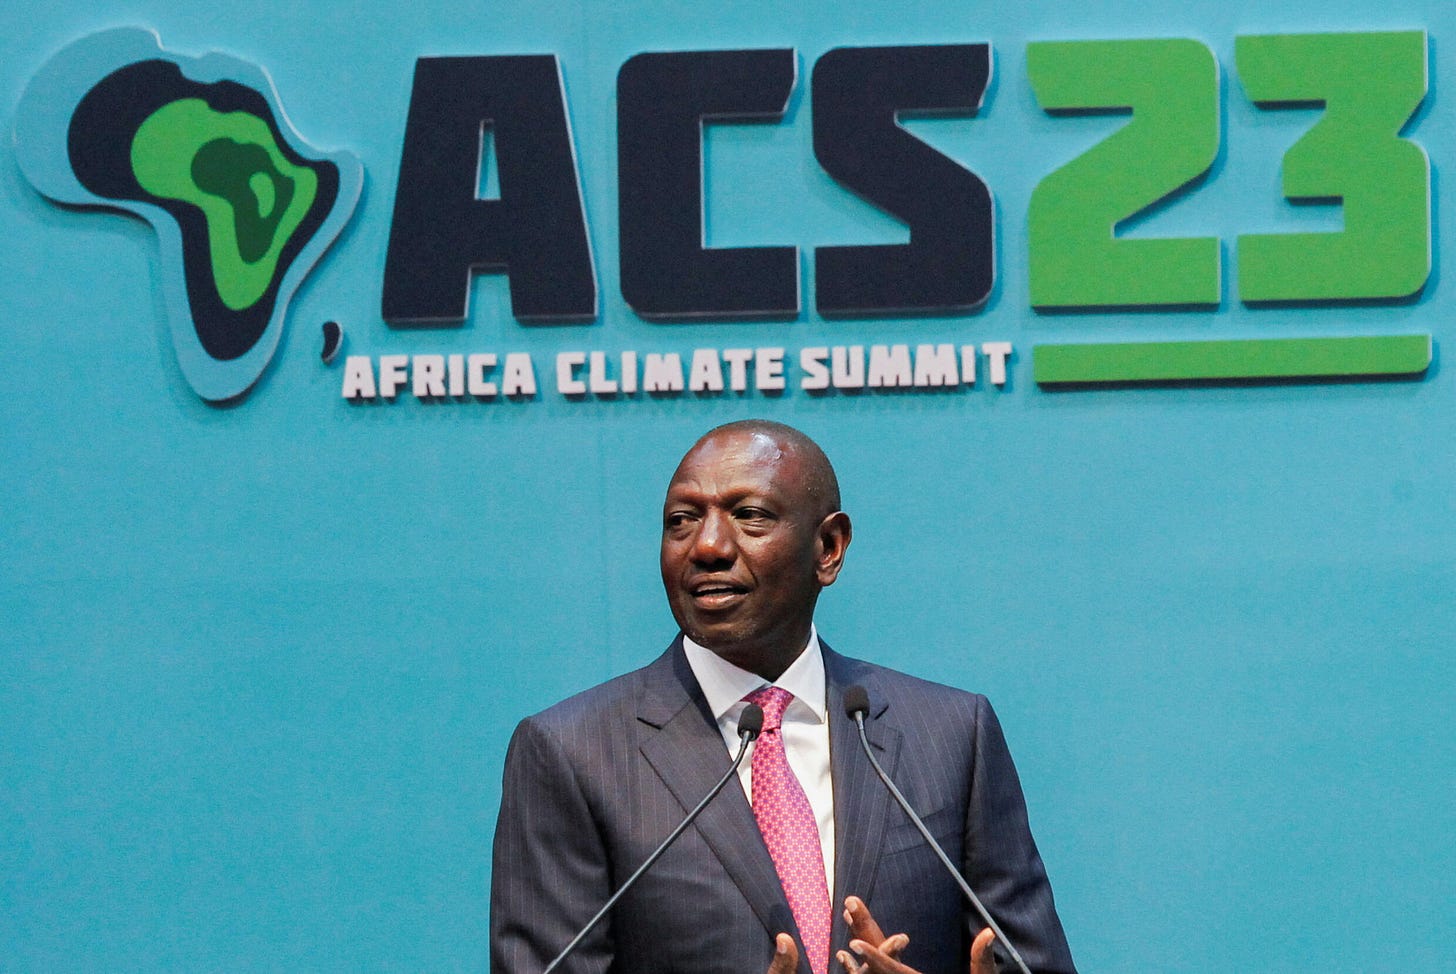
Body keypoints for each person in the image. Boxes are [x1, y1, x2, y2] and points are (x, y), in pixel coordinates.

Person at [490, 420, 1076, 974]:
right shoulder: (572, 752)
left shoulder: (950, 735)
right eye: (681, 520)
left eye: (748, 516)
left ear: (828, 548)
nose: (708, 546)